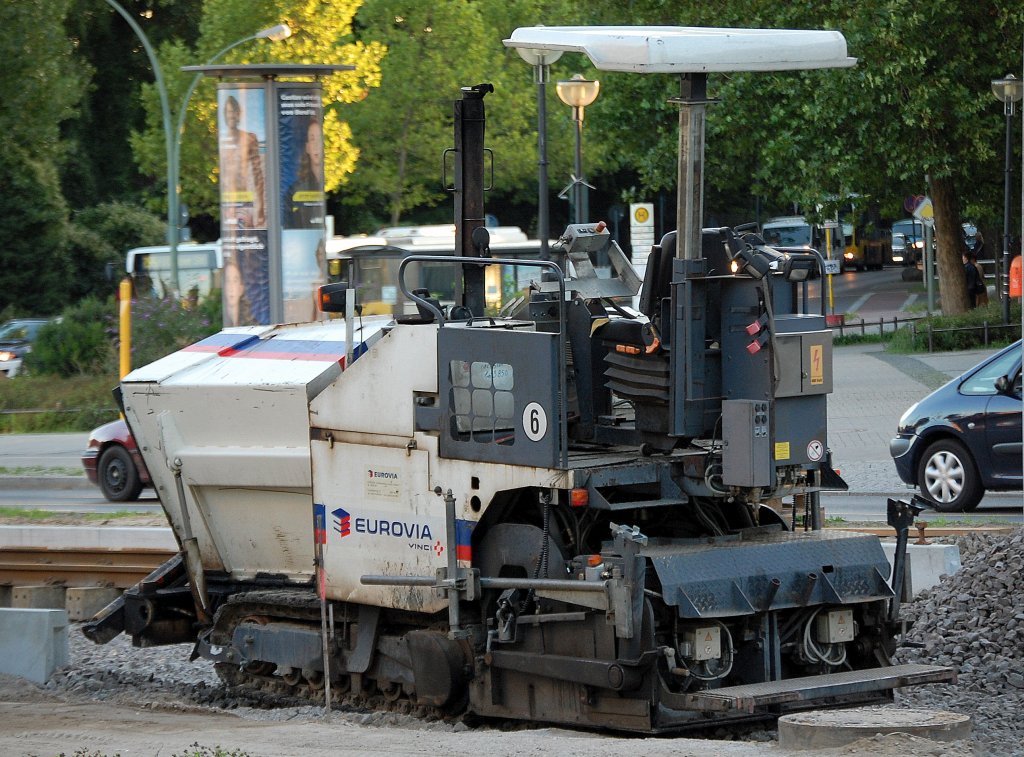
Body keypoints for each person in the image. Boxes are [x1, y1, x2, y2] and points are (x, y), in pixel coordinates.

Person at [219, 95, 265, 229]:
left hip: (244, 200)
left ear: (239, 114)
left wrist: (260, 206)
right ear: (225, 115)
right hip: (227, 202)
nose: (231, 115)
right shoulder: (221, 140)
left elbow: (258, 176)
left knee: (248, 237)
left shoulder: (249, 138)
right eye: (229, 112)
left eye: (234, 111)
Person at [286, 118, 325, 228]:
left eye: (320, 139)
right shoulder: (295, 190)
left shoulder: (326, 184)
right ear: (307, 147)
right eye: (312, 139)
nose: (317, 145)